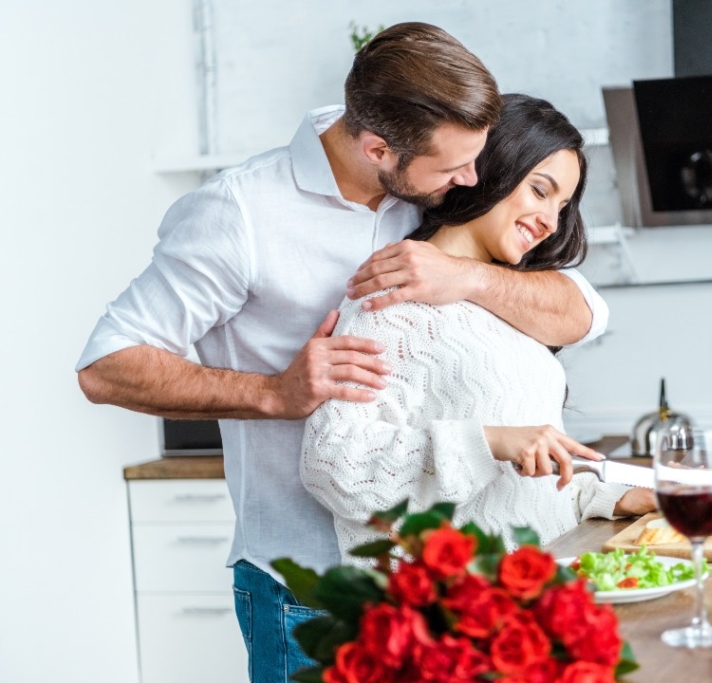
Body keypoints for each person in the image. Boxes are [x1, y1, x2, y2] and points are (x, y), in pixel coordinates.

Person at [75, 22, 608, 683]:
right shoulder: (241, 212)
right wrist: (274, 392)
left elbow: (582, 310)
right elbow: (105, 364)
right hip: (309, 589)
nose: (471, 178)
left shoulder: (426, 190)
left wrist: (465, 277)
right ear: (378, 148)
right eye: (455, 169)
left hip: (419, 594)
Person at [301, 93, 655, 561]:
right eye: (541, 190)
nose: (551, 221)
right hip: (449, 613)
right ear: (493, 168)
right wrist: (488, 440)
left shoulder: (508, 307)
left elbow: (515, 493)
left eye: (563, 205)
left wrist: (610, 497)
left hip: (535, 591)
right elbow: (334, 468)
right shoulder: (389, 303)